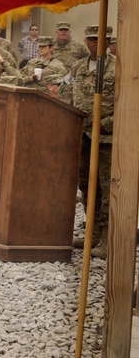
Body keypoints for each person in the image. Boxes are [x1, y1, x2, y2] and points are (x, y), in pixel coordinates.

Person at [70, 25, 115, 258]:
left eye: (102, 39)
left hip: (108, 138)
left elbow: (129, 104)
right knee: (86, 186)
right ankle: (93, 233)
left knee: (108, 189)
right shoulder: (77, 67)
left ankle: (108, 240)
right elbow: (69, 96)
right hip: (82, 137)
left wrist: (104, 124)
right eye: (91, 38)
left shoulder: (119, 68)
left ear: (109, 41)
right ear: (85, 41)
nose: (96, 42)